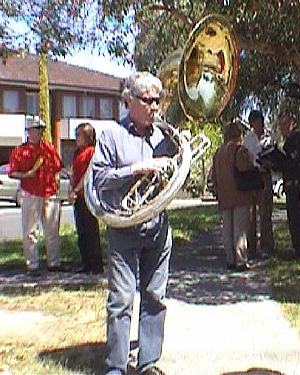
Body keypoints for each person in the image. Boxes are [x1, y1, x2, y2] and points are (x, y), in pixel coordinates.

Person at [91, 72, 177, 375]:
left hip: (157, 226)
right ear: (129, 102)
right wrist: (137, 169)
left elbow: (179, 174)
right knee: (122, 298)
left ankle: (149, 363)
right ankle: (116, 365)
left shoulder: (165, 136)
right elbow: (99, 178)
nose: (154, 106)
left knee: (155, 296)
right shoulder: (111, 135)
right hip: (125, 227)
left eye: (158, 100)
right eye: (147, 100)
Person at [8, 116, 62, 275]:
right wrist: (26, 175)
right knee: (30, 231)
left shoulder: (48, 148)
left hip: (49, 192)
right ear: (29, 132)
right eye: (37, 129)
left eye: (41, 129)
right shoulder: (20, 151)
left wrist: (56, 183)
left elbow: (57, 167)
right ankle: (32, 264)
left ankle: (54, 263)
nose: (40, 132)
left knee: (52, 230)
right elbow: (12, 173)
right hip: (31, 193)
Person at [212, 120, 254, 271]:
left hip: (225, 195)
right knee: (240, 228)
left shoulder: (218, 152)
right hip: (240, 193)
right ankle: (241, 260)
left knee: (227, 228)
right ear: (238, 134)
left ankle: (230, 259)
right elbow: (244, 168)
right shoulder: (239, 149)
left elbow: (214, 176)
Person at [69, 122, 103, 274]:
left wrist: (76, 190)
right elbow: (73, 173)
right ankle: (86, 263)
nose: (76, 138)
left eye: (79, 135)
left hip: (87, 196)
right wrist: (71, 188)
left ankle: (96, 265)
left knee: (90, 231)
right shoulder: (77, 153)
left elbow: (88, 174)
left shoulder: (92, 152)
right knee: (81, 232)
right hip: (77, 197)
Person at [275, 113, 300, 260]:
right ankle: (297, 247)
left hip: (297, 182)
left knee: (297, 216)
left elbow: (294, 160)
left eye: (283, 125)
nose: (282, 129)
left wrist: (278, 163)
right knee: (293, 216)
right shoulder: (291, 137)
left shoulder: (298, 136)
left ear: (290, 122)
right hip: (291, 182)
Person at [243, 109, 275, 258]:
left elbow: (273, 154)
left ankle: (266, 246)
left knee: (265, 212)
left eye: (259, 122)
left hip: (265, 175)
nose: (257, 125)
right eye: (254, 123)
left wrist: (269, 162)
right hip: (252, 175)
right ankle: (251, 247)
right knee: (251, 213)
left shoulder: (269, 137)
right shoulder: (247, 139)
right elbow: (245, 157)